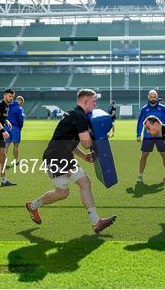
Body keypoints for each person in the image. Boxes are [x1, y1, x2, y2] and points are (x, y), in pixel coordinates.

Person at [25, 89, 117, 233]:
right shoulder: (79, 115)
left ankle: (96, 222)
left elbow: (70, 143)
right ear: (84, 101)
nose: (95, 104)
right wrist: (100, 137)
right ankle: (32, 206)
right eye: (93, 101)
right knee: (64, 192)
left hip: (65, 156)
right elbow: (86, 143)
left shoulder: (74, 114)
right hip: (55, 157)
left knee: (78, 186)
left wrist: (85, 156)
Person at [136, 90, 165, 183]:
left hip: (160, 136)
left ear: (157, 97)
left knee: (164, 155)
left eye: (154, 97)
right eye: (151, 97)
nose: (153, 99)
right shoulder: (144, 109)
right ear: (148, 97)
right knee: (144, 155)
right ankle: (140, 175)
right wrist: (138, 134)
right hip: (148, 136)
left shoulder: (162, 108)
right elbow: (140, 122)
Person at [5, 95, 25, 166]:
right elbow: (21, 120)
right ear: (20, 101)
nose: (22, 104)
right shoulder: (20, 108)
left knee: (6, 145)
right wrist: (20, 128)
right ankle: (16, 161)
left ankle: (3, 162)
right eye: (22, 102)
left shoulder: (8, 106)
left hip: (7, 127)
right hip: (15, 128)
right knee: (16, 145)